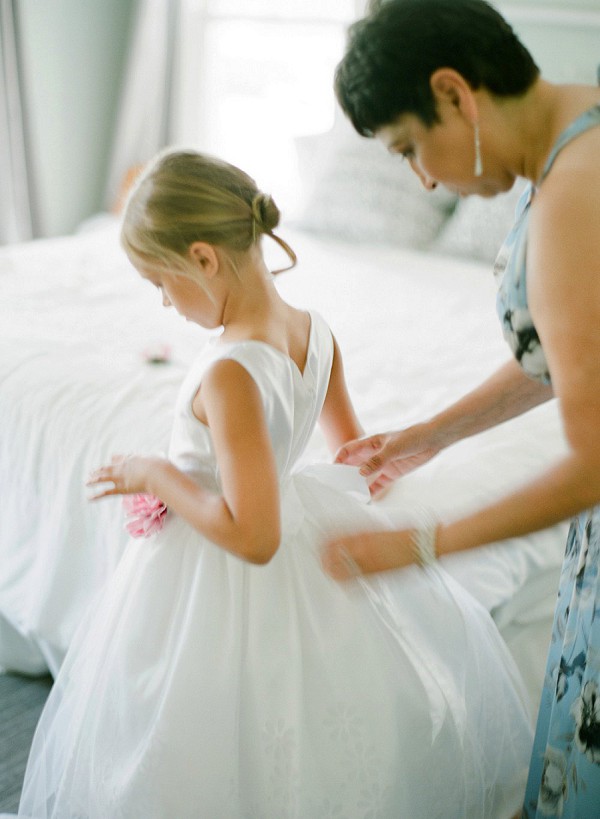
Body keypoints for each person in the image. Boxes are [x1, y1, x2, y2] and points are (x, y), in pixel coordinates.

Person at [18, 148, 533, 818]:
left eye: (162, 284)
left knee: (201, 732)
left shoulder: (229, 371)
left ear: (203, 258)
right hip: (302, 536)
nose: (165, 303)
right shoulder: (314, 332)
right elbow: (353, 456)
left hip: (219, 572)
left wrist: (158, 474)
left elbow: (254, 536)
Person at [321, 1, 600, 817]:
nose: (424, 178)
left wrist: (424, 543)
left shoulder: (575, 191)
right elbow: (570, 348)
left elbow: (593, 461)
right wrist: (431, 433)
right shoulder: (575, 138)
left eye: (410, 147)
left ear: (453, 92)